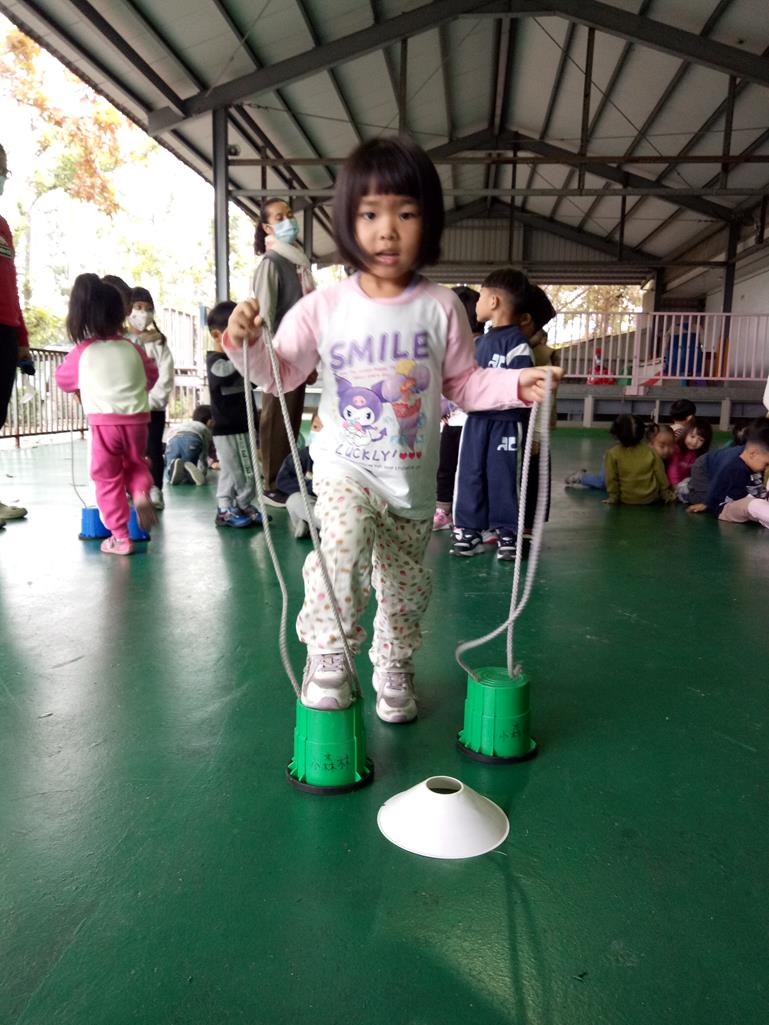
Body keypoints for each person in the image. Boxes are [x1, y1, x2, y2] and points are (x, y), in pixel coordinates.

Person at [224, 135, 560, 723]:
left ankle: (394, 662)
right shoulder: (324, 306)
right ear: (347, 223)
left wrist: (516, 384)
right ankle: (328, 654)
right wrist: (245, 344)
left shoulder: (442, 307)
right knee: (341, 548)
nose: (387, 230)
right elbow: (282, 374)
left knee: (405, 587)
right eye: (370, 215)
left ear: (428, 223)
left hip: (411, 483)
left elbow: (464, 384)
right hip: (345, 466)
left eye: (405, 214)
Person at [55, 274, 158, 555]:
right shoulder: (133, 347)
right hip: (137, 420)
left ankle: (120, 538)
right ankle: (140, 492)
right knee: (136, 464)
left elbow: (63, 380)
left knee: (107, 478)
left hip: (104, 424)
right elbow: (151, 376)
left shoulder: (83, 351)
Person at [451, 268, 535, 560]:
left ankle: (508, 533)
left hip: (506, 425)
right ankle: (468, 531)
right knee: (470, 474)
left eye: (481, 297)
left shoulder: (517, 345)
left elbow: (525, 389)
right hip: (476, 422)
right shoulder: (477, 344)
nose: (476, 304)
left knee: (503, 477)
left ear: (494, 301)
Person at [250, 197, 315, 507]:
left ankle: (286, 478)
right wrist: (271, 360)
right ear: (267, 227)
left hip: (300, 356)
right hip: (280, 356)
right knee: (276, 419)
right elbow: (264, 316)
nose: (288, 221)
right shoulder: (271, 263)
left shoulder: (297, 263)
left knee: (291, 418)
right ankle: (271, 482)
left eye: (289, 215)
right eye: (279, 217)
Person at [205, 300, 263, 528]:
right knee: (240, 471)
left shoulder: (238, 361)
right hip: (228, 429)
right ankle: (231, 506)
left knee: (239, 469)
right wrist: (244, 356)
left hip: (244, 425)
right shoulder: (215, 361)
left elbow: (255, 379)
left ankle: (237, 505)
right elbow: (224, 375)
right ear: (217, 335)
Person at [432, 286, 481, 532]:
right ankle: (443, 510)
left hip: (468, 421)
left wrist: (445, 405)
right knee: (445, 467)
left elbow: (464, 384)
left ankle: (463, 515)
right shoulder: (447, 346)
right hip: (450, 421)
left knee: (465, 471)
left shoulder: (479, 346)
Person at [0, 142, 29, 527]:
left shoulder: (3, 226)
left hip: (5, 331)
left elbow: (11, 286)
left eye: (3, 171)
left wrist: (22, 337)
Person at [126, 287, 175, 511]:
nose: (143, 313)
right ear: (128, 310)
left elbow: (166, 374)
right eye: (138, 307)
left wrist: (153, 401)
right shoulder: (123, 340)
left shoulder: (159, 342)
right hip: (128, 408)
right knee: (129, 450)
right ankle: (131, 488)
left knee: (153, 448)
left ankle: (154, 489)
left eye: (148, 308)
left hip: (153, 409)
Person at [521, 285, 557, 539]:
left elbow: (543, 399)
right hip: (510, 426)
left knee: (532, 471)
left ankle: (528, 525)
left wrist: (537, 434)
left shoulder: (541, 354)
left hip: (531, 428)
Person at [688, 420, 769, 525]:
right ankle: (686, 492)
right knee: (705, 498)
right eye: (766, 464)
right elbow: (716, 485)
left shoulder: (753, 459)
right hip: (703, 467)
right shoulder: (731, 465)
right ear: (753, 454)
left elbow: (756, 484)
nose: (767, 468)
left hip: (721, 466)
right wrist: (707, 503)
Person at [603, 413, 676, 506]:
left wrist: (613, 498)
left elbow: (611, 479)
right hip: (651, 498)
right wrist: (666, 495)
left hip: (626, 499)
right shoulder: (650, 451)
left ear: (616, 434)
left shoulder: (612, 454)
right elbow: (660, 474)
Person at [275, 414, 323, 538]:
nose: (319, 432)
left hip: (330, 503)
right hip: (309, 500)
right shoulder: (301, 456)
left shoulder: (339, 459)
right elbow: (282, 480)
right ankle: (322, 527)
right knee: (293, 501)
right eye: (315, 427)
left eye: (324, 429)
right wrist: (312, 486)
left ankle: (313, 527)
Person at [165, 404, 213, 485]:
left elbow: (168, 438)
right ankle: (188, 472)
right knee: (189, 466)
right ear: (209, 422)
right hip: (191, 440)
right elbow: (204, 452)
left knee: (170, 466)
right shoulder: (205, 430)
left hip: (172, 440)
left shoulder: (185, 424)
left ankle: (171, 471)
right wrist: (203, 471)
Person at [668, 417, 712, 501]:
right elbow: (673, 469)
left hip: (687, 483)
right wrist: (675, 486)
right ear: (685, 433)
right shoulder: (676, 449)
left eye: (701, 440)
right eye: (692, 436)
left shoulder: (701, 455)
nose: (694, 442)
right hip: (672, 484)